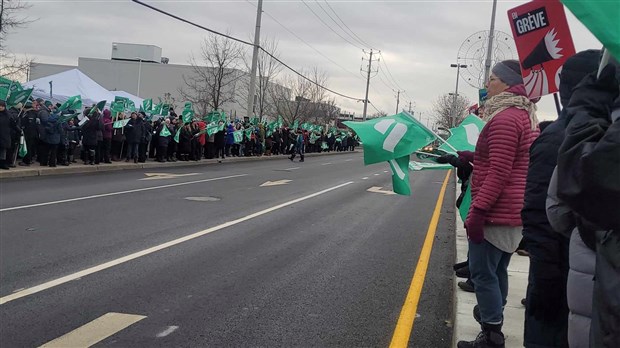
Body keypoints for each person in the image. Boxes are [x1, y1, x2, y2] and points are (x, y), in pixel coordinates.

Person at [457, 60, 539, 348]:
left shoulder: (505, 118)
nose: (486, 85)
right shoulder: (523, 114)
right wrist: (472, 155)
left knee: (482, 273)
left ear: (506, 84)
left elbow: (500, 171)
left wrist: (478, 211)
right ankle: (494, 320)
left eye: (491, 79)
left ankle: (491, 334)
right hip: (512, 210)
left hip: (496, 211)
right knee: (497, 270)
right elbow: (507, 161)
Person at [522, 49, 600, 348]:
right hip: (559, 276)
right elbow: (539, 216)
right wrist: (546, 280)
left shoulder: (591, 134)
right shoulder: (559, 139)